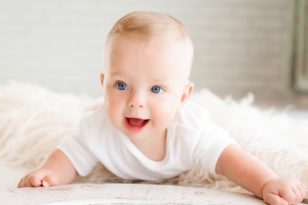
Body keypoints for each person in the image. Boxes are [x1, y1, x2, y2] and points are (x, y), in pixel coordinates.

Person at [18, 11, 307, 204]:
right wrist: (48, 174)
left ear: (183, 96)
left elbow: (229, 159)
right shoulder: (98, 128)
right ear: (104, 82)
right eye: (121, 86)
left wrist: (267, 182)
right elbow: (70, 155)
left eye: (156, 89)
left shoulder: (190, 131)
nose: (136, 101)